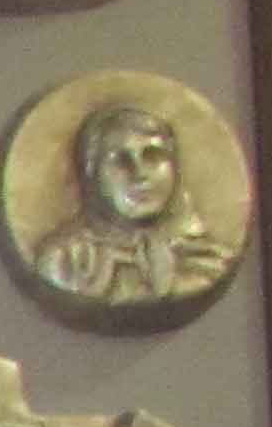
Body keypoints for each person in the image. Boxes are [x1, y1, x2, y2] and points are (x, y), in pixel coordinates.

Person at [33, 101, 233, 305]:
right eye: (120, 160)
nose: (140, 174)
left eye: (153, 156)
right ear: (91, 173)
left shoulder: (208, 260)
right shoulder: (65, 262)